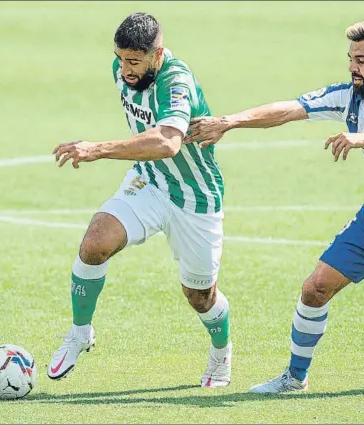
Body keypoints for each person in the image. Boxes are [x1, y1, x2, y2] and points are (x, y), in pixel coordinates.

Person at [184, 21, 364, 393]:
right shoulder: (349, 96)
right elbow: (289, 109)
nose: (352, 67)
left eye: (361, 59)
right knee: (315, 288)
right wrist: (230, 122)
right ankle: (294, 379)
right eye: (350, 58)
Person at [48, 12, 231, 388]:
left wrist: (97, 149)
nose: (126, 68)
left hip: (194, 197)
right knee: (94, 243)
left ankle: (221, 351)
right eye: (121, 58)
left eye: (135, 60)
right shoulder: (120, 68)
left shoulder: (176, 80)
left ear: (157, 54)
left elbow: (167, 142)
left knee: (199, 295)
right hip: (147, 182)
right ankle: (80, 332)